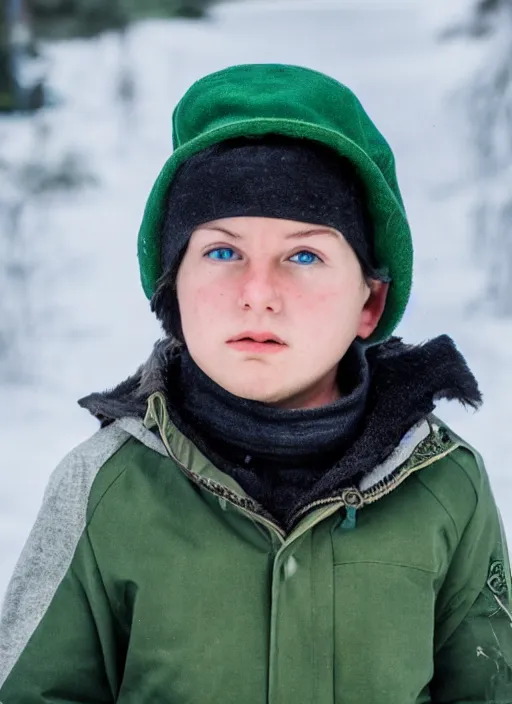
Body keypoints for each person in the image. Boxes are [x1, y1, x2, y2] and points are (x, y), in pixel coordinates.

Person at [0, 62, 511, 703]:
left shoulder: (444, 487)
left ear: (369, 303)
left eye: (304, 255)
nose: (259, 294)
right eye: (221, 251)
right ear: (172, 288)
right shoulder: (103, 487)